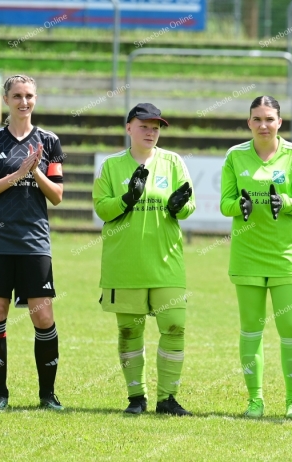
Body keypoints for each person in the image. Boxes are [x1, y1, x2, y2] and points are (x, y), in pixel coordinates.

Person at [93, 103, 195, 416]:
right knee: (129, 332)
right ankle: (136, 398)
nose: (151, 132)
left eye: (156, 127)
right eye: (144, 126)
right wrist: (126, 199)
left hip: (166, 261)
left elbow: (188, 206)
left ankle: (167, 399)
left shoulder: (173, 161)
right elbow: (102, 208)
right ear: (129, 128)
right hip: (125, 265)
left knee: (175, 325)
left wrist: (180, 206)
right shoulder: (112, 166)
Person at [0, 74, 65, 411]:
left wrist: (35, 171)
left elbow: (57, 196)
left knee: (43, 318)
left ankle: (48, 395)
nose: (24, 102)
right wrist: (14, 175)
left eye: (29, 96)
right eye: (18, 96)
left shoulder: (50, 141)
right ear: (6, 99)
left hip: (34, 242)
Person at [219, 96, 292, 420]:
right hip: (247, 257)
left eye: (269, 119)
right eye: (257, 119)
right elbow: (225, 203)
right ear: (248, 122)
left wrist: (284, 202)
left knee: (290, 327)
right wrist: (239, 207)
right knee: (251, 329)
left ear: (279, 122)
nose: (263, 125)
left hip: (285, 256)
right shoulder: (235, 156)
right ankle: (255, 401)